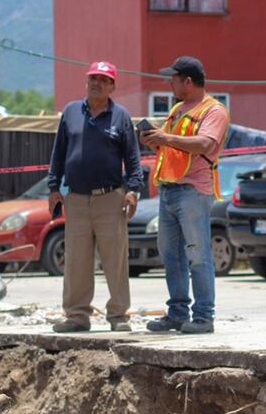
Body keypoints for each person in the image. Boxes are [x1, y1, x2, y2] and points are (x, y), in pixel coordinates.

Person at [47, 61, 144, 333]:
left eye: (103, 79)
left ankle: (118, 316)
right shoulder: (70, 112)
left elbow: (133, 161)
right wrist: (54, 187)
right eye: (92, 78)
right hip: (76, 199)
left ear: (112, 85)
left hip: (110, 198)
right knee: (76, 260)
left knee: (115, 260)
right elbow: (59, 154)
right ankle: (77, 316)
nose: (96, 83)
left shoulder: (121, 116)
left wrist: (133, 192)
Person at [139, 56, 230, 335]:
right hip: (169, 190)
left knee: (198, 255)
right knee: (172, 256)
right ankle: (178, 313)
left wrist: (165, 138)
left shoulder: (214, 111)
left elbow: (205, 143)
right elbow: (172, 145)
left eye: (173, 79)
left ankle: (203, 316)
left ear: (187, 82)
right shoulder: (178, 108)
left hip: (192, 192)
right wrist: (155, 138)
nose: (169, 84)